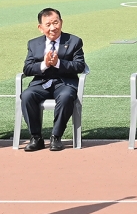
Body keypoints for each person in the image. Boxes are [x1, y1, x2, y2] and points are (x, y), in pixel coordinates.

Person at [20, 8, 87, 152]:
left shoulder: (74, 41)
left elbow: (80, 65)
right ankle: (36, 138)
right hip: (41, 83)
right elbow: (27, 68)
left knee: (66, 97)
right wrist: (44, 64)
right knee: (26, 95)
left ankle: (56, 137)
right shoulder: (33, 44)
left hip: (64, 83)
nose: (52, 28)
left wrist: (58, 63)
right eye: (48, 24)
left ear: (61, 23)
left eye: (55, 23)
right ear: (40, 27)